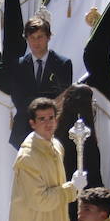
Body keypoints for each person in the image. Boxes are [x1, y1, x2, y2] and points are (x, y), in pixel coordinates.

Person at [9, 98, 85, 221]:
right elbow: (40, 200)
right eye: (42, 119)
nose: (48, 123)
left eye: (51, 117)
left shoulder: (57, 146)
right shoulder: (27, 157)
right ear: (32, 123)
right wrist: (72, 188)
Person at [9, 18, 74, 149]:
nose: (36, 42)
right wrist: (48, 101)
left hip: (52, 131)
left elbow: (62, 98)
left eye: (40, 37)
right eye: (31, 37)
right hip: (25, 130)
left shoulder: (63, 64)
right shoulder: (18, 65)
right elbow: (18, 99)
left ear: (48, 37)